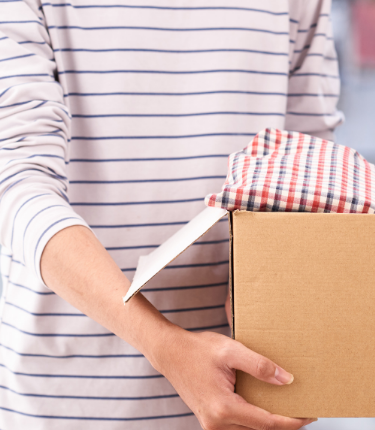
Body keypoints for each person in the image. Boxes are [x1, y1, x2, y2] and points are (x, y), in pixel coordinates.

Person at [0, 1, 341, 428]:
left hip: (245, 389)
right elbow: (16, 186)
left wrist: (280, 294)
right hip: (68, 400)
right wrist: (163, 345)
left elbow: (311, 168)